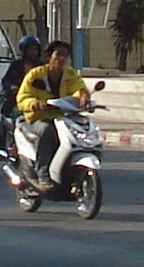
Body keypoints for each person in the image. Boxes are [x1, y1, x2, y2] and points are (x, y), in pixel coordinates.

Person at [12, 38, 92, 176]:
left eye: (65, 55)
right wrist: (34, 103)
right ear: (49, 57)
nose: (61, 59)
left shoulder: (71, 74)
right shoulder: (35, 75)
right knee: (46, 131)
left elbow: (79, 89)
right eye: (58, 55)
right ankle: (43, 174)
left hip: (63, 118)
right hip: (39, 119)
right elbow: (22, 97)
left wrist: (83, 97)